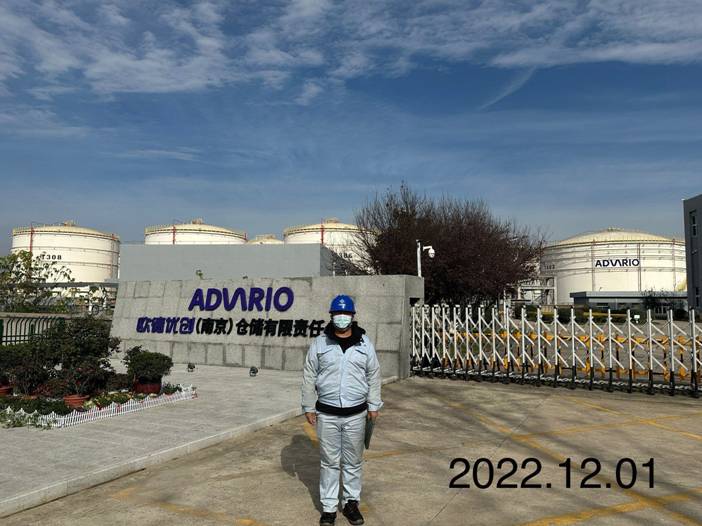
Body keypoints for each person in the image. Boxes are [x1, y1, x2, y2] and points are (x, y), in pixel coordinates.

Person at [301, 294, 383, 526]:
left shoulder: (364, 343)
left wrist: (374, 404)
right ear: (331, 316)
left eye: (346, 314)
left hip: (356, 414)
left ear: (353, 316)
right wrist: (308, 405)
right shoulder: (320, 343)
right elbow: (309, 375)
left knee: (353, 462)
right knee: (329, 462)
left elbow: (373, 374)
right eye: (338, 313)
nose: (342, 318)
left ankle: (350, 503)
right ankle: (328, 508)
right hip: (327, 414)